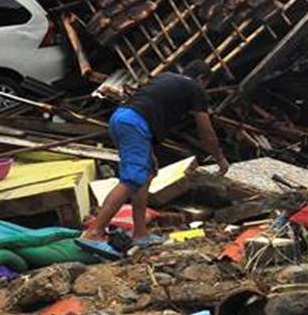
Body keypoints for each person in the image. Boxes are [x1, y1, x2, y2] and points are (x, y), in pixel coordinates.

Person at [82, 60, 229, 245]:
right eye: (206, 84)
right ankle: (94, 232)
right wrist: (220, 159)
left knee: (147, 173)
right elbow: (206, 132)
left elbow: (149, 107)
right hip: (134, 123)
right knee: (131, 179)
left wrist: (150, 154)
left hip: (121, 118)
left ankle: (140, 234)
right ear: (201, 79)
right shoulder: (195, 88)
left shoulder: (165, 77)